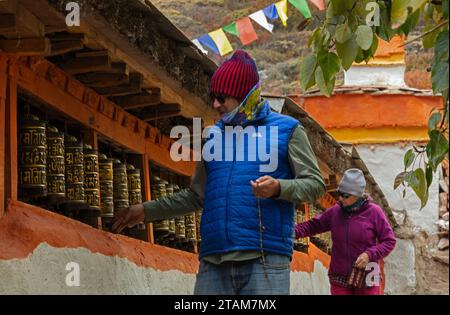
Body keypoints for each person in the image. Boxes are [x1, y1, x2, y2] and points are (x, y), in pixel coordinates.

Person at [112, 49, 325, 295]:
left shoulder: (288, 130)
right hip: (213, 261)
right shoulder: (213, 137)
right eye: (213, 97)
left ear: (245, 95)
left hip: (265, 260)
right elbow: (196, 196)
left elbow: (315, 185)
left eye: (223, 98)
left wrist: (279, 188)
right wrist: (145, 211)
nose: (215, 104)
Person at [295, 168, 396, 295]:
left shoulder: (374, 212)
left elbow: (389, 241)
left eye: (345, 195)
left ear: (358, 194)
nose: (341, 198)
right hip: (339, 277)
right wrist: (291, 232)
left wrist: (369, 254)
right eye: (339, 193)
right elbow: (313, 225)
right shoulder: (335, 211)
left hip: (368, 276)